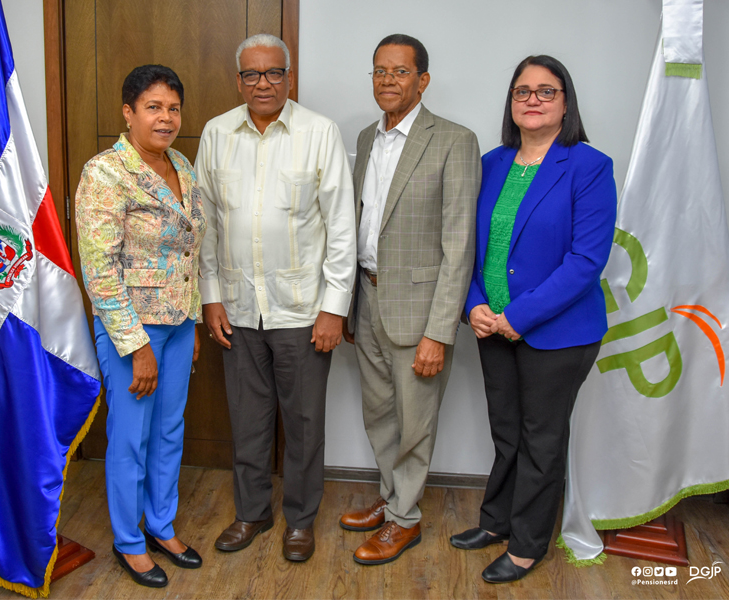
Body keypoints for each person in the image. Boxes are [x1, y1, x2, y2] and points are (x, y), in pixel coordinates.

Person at [450, 55, 617, 583]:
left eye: (546, 91)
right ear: (511, 102)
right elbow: (474, 247)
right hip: (490, 325)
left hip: (557, 332)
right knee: (507, 434)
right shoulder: (493, 162)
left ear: (566, 103)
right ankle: (497, 521)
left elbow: (586, 262)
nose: (533, 99)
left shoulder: (589, 167)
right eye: (523, 91)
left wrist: (516, 317)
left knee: (541, 440)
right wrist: (474, 303)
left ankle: (527, 545)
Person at [196, 34, 355, 562]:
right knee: (247, 418)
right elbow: (207, 226)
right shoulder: (217, 134)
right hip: (238, 309)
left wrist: (334, 306)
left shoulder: (319, 132)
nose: (262, 83)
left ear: (289, 77)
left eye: (272, 73)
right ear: (237, 80)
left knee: (304, 424)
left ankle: (301, 520)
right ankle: (252, 513)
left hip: (303, 309)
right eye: (251, 75)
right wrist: (211, 297)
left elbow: (341, 227)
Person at [340, 34, 480, 565]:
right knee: (379, 412)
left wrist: (439, 331)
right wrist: (350, 302)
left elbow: (458, 244)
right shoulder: (365, 139)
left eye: (399, 72)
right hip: (369, 299)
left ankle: (406, 519)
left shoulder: (453, 140)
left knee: (415, 418)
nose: (387, 81)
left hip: (420, 311)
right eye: (379, 71)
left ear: (422, 80)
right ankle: (390, 497)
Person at [76, 65, 206, 588]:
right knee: (131, 437)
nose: (166, 117)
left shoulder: (182, 164)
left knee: (169, 432)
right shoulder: (105, 173)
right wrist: (135, 346)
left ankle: (161, 524)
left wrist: (192, 321)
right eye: (153, 107)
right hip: (131, 331)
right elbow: (99, 269)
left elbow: (193, 253)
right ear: (128, 113)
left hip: (177, 323)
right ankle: (129, 541)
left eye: (173, 108)